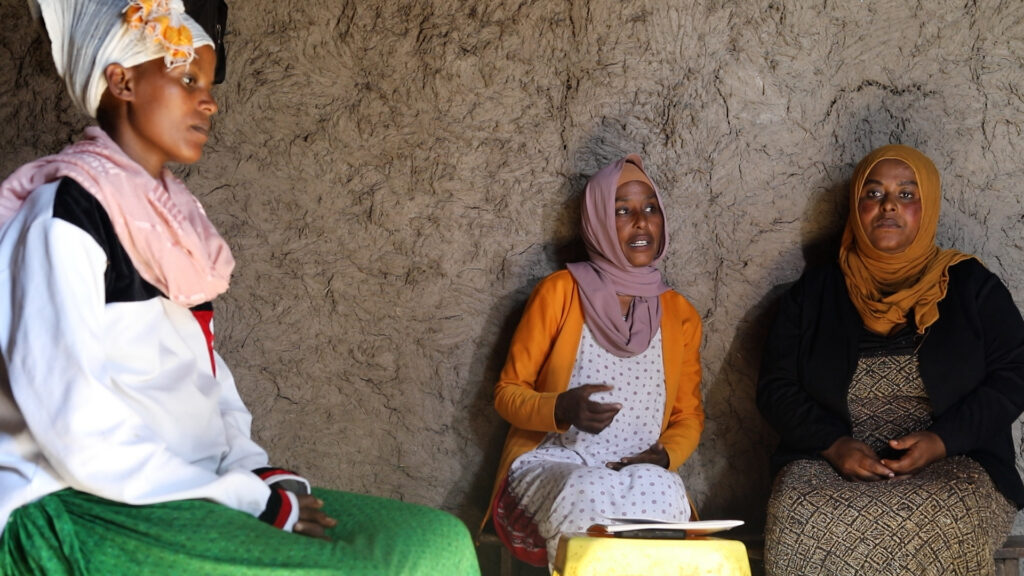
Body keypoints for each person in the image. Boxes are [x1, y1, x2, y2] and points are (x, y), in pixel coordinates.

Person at [0, 1, 479, 574]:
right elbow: (72, 423)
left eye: (208, 84)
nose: (209, 102)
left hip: (193, 480)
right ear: (122, 82)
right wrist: (242, 497)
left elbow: (203, 367)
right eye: (187, 80)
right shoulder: (63, 216)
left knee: (437, 540)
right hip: (80, 494)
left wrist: (251, 468)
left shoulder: (171, 219)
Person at [757, 144, 1024, 576]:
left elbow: (1014, 375)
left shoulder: (972, 286)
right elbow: (776, 386)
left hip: (957, 459)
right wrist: (834, 444)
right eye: (874, 193)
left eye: (906, 194)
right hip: (832, 462)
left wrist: (942, 440)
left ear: (927, 206)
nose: (888, 206)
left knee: (944, 512)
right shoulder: (814, 293)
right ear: (856, 205)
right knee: (798, 511)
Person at [486, 155, 705, 567]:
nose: (641, 222)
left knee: (667, 492)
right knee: (587, 491)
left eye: (651, 208)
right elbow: (507, 393)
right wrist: (560, 408)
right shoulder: (560, 292)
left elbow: (688, 416)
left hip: (636, 471)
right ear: (597, 222)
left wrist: (664, 457)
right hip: (556, 462)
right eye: (622, 211)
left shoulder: (680, 314)